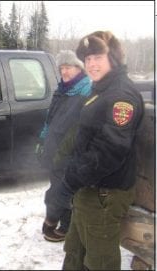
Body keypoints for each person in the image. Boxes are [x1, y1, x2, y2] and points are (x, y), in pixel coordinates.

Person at [50, 31, 144, 270]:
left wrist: (72, 178)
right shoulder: (101, 88)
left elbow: (110, 151)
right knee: (74, 251)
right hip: (89, 186)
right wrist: (66, 163)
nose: (91, 64)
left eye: (97, 57)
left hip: (106, 192)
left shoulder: (121, 95)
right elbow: (85, 132)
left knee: (99, 261)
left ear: (112, 57)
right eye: (88, 59)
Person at [36, 50, 92, 242]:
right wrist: (43, 139)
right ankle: (59, 219)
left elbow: (83, 125)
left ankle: (66, 225)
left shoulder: (86, 90)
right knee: (56, 184)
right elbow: (49, 120)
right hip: (54, 147)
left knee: (65, 188)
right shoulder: (62, 89)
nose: (64, 72)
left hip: (71, 150)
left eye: (68, 67)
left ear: (79, 68)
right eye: (61, 68)